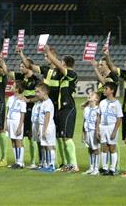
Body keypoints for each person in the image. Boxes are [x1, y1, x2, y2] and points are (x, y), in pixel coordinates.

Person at [43, 45, 79, 173]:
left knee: (67, 138)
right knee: (61, 138)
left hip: (68, 108)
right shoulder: (63, 76)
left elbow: (59, 67)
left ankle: (74, 164)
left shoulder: (72, 74)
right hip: (60, 109)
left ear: (64, 63)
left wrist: (49, 53)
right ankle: (67, 164)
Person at [8, 55, 40, 168]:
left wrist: (28, 100)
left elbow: (39, 97)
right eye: (20, 66)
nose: (21, 68)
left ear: (29, 67)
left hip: (31, 110)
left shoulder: (37, 80)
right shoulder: (21, 77)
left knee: (31, 136)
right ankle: (19, 160)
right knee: (19, 137)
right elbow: (7, 72)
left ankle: (33, 161)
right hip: (20, 110)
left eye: (23, 66)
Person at [96, 82, 123, 176]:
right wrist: (97, 129)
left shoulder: (117, 104)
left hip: (111, 127)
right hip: (102, 126)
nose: (104, 90)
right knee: (104, 148)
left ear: (112, 91)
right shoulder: (102, 102)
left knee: (112, 148)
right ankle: (104, 168)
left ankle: (112, 169)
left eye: (106, 88)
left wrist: (115, 131)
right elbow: (99, 116)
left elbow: (119, 118)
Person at [5, 82, 27, 169]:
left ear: (17, 89)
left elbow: (22, 114)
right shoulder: (10, 99)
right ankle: (16, 161)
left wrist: (20, 126)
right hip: (10, 121)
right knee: (13, 141)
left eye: (13, 86)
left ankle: (20, 162)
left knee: (18, 142)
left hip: (17, 122)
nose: (11, 87)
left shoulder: (22, 100)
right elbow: (8, 111)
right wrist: (5, 123)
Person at [36, 83, 56, 173]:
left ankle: (52, 165)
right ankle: (46, 164)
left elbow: (47, 117)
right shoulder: (43, 103)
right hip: (42, 126)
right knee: (44, 146)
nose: (36, 94)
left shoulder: (48, 103)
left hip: (47, 126)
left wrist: (44, 130)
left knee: (49, 146)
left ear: (44, 92)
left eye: (38, 92)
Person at [83, 91, 101, 175]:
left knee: (96, 149)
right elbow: (85, 121)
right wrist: (84, 133)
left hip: (94, 131)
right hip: (88, 131)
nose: (89, 96)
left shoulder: (98, 109)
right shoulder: (86, 109)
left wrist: (98, 132)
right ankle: (91, 167)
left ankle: (96, 169)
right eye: (89, 95)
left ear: (96, 99)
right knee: (90, 149)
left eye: (92, 95)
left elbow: (98, 121)